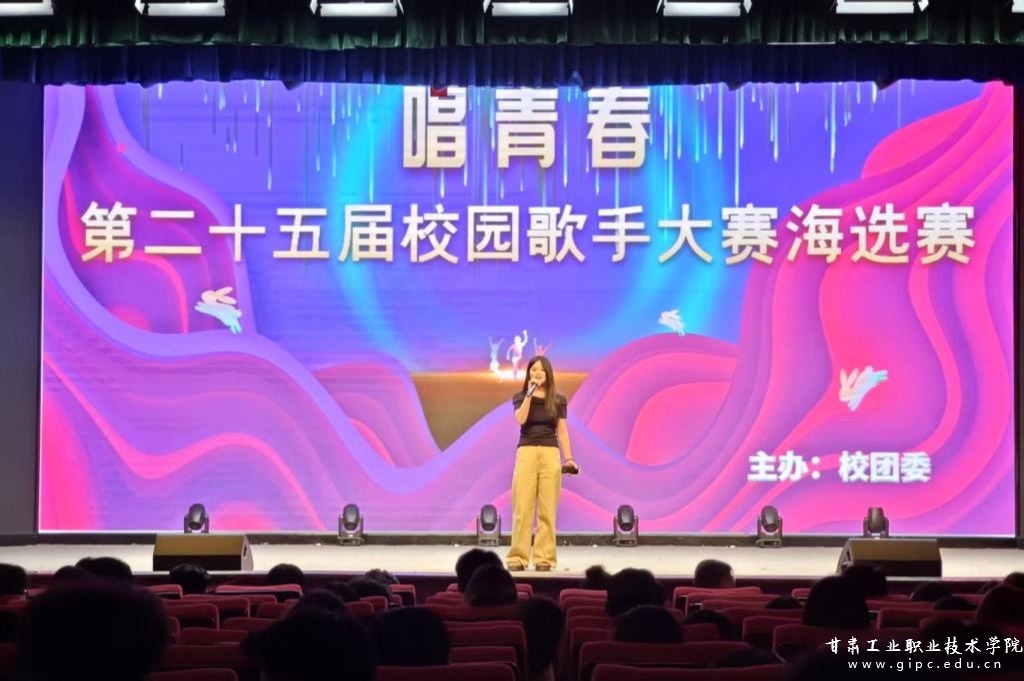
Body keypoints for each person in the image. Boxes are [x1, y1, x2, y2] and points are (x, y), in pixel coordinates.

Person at [506, 356, 577, 572]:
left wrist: (569, 459)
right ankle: (518, 557)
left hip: (550, 453)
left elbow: (562, 431)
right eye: (533, 369)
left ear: (548, 373)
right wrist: (529, 394)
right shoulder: (520, 397)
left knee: (547, 508)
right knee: (522, 507)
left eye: (541, 370)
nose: (537, 373)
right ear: (528, 373)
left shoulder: (558, 400)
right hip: (526, 452)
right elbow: (520, 419)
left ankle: (544, 558)